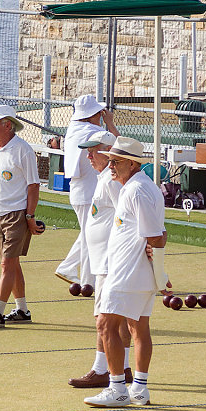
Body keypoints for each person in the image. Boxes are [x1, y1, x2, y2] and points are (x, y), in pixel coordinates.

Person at [84, 137, 170, 408]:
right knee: (137, 327)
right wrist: (158, 270)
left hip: (127, 273)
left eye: (116, 161)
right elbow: (158, 234)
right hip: (135, 273)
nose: (110, 166)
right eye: (110, 160)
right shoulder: (137, 187)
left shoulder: (136, 191)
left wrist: (160, 269)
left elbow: (156, 236)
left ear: (132, 164)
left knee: (105, 325)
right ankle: (139, 390)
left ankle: (117, 389)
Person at [67, 131, 135, 388]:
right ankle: (123, 368)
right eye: (88, 151)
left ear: (108, 152)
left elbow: (127, 215)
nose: (89, 156)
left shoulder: (112, 181)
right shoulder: (105, 178)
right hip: (105, 261)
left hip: (111, 261)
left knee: (104, 319)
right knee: (116, 317)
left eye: (93, 151)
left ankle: (101, 370)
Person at [0, 104, 43, 328]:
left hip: (17, 215)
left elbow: (33, 186)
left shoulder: (23, 150)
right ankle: (22, 310)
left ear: (7, 125)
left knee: (7, 264)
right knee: (12, 264)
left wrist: (29, 217)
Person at [55, 95, 120, 290]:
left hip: (81, 191)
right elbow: (121, 147)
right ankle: (87, 282)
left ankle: (68, 268)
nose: (101, 116)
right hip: (89, 193)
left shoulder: (74, 129)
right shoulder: (93, 132)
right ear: (91, 115)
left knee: (88, 233)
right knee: (89, 235)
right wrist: (110, 123)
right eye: (99, 114)